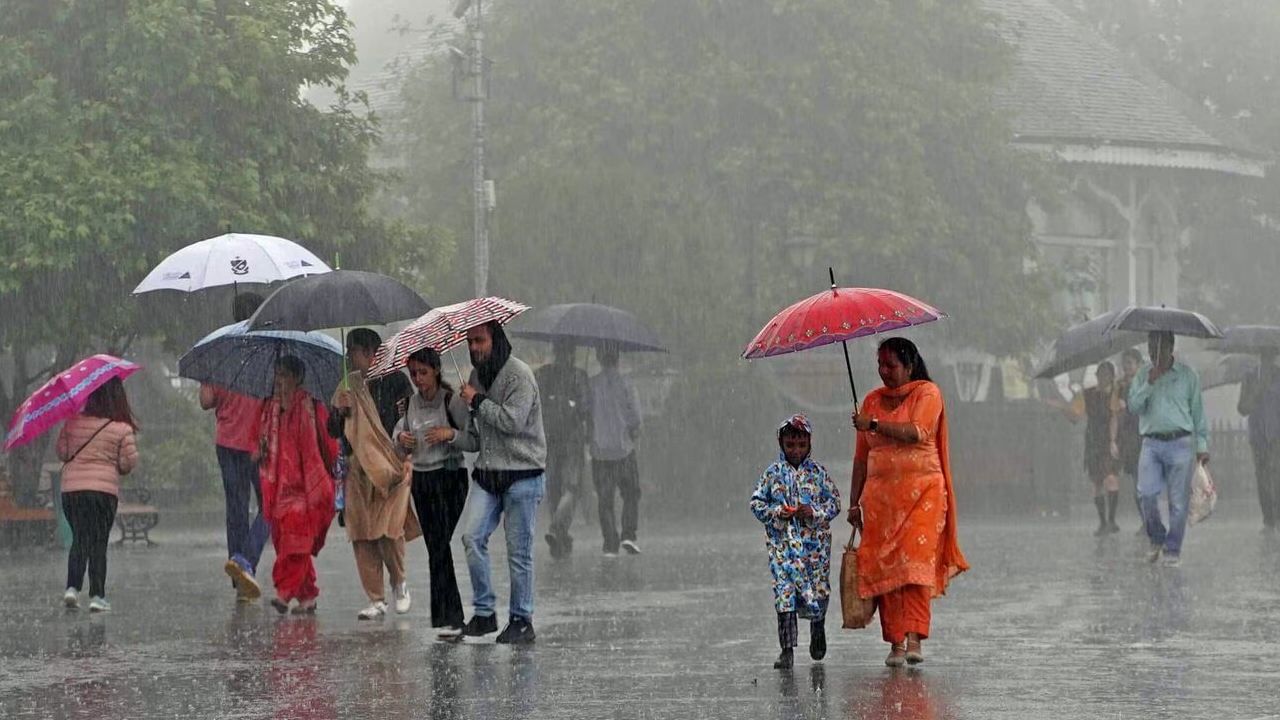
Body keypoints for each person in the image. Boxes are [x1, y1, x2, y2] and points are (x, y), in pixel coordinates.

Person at [849, 338, 968, 667]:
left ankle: (915, 638)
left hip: (923, 496)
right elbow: (861, 459)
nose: (884, 372)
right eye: (880, 366)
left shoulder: (928, 393)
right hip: (880, 503)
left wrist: (872, 424)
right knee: (885, 568)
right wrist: (853, 503)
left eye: (891, 365)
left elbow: (917, 432)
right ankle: (896, 643)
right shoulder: (871, 400)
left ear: (910, 365)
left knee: (914, 567)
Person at [456, 321, 547, 644]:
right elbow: (475, 437)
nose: (474, 348)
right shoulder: (475, 376)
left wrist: (478, 401)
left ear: (495, 340)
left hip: (523, 473)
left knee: (518, 552)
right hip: (488, 473)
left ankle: (522, 619)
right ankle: (484, 613)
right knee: (471, 537)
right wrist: (450, 433)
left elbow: (512, 421)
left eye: (479, 340)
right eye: (469, 342)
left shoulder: (518, 375)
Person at [329, 328, 418, 620]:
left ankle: (400, 583)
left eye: (352, 350)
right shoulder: (346, 386)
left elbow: (409, 422)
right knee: (362, 533)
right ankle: (376, 598)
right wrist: (338, 412)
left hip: (392, 465)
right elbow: (332, 431)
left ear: (369, 352)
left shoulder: (396, 381)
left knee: (390, 530)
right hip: (357, 469)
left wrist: (407, 454)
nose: (348, 357)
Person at [393, 348, 478, 633]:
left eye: (424, 372)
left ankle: (450, 615)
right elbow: (397, 442)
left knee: (440, 544)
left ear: (437, 371)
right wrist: (402, 440)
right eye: (414, 373)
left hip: (450, 478)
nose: (418, 379)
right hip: (423, 481)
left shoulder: (451, 401)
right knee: (435, 547)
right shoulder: (407, 406)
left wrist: (449, 434)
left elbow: (473, 440)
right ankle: (446, 616)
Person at [750, 414, 840, 670]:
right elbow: (756, 503)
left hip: (815, 549)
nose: (796, 451)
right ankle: (786, 649)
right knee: (784, 596)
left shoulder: (819, 473)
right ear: (781, 443)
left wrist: (813, 513)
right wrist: (777, 513)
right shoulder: (772, 474)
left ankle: (818, 628)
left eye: (801, 445)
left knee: (819, 590)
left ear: (809, 443)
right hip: (784, 549)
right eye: (790, 445)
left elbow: (834, 503)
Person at [254, 356, 338, 615]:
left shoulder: (312, 407)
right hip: (278, 487)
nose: (280, 380)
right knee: (285, 542)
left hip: (306, 488)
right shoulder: (269, 408)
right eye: (277, 374)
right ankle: (308, 595)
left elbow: (329, 444)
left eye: (285, 374)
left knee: (296, 543)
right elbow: (257, 442)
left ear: (297, 378)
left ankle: (284, 592)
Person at [200, 292, 269, 601]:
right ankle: (246, 562)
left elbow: (206, 401)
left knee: (236, 510)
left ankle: (238, 570)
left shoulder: (221, 350)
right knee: (271, 506)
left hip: (227, 442)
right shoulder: (267, 350)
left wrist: (209, 377)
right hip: (261, 443)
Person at [56, 377, 139, 613]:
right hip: (102, 493)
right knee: (99, 542)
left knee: (80, 538)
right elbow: (126, 464)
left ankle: (72, 587)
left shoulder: (72, 423)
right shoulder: (121, 428)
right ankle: (97, 595)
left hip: (72, 492)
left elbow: (62, 452)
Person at [1128, 331, 1209, 566]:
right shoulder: (1144, 373)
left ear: (1170, 347)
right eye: (1151, 348)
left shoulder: (1187, 376)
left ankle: (1173, 549)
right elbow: (1133, 406)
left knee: (1178, 502)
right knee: (1146, 494)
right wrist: (1149, 383)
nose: (1155, 353)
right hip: (1151, 443)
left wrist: (1202, 446)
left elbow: (1198, 413)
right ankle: (1157, 538)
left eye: (1159, 348)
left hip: (1180, 444)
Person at [535, 341, 590, 559]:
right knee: (572, 487)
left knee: (554, 487)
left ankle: (561, 538)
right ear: (573, 354)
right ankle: (557, 528)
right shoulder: (579, 376)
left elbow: (535, 405)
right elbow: (586, 409)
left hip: (549, 439)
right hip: (572, 440)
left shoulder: (543, 375)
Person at [589, 344, 644, 556]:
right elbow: (636, 417)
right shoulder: (626, 383)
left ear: (599, 357)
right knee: (631, 493)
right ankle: (628, 534)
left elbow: (585, 411)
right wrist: (633, 431)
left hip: (600, 451)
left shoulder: (592, 384)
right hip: (624, 450)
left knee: (605, 499)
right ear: (617, 358)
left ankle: (610, 543)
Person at [1061, 362, 1122, 535]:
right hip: (1093, 440)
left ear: (1111, 376)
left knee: (1111, 477)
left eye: (1105, 375)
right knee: (1096, 482)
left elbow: (1115, 417)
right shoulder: (1087, 394)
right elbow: (1075, 416)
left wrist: (1112, 441)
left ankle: (1112, 520)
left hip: (1109, 439)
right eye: (1099, 375)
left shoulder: (1116, 393)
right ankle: (1102, 522)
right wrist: (1063, 406)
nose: (1102, 378)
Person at [1238, 349, 1280, 531]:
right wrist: (1258, 390)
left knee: (1277, 474)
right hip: (1258, 436)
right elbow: (1242, 408)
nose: (1268, 359)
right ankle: (1268, 518)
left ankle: (1278, 515)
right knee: (1262, 476)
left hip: (1277, 435)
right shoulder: (1249, 377)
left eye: (1271, 355)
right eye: (1265, 355)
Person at [1115, 348, 1145, 522]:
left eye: (1130, 363)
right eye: (1124, 363)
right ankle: (1145, 521)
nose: (1126, 366)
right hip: (1130, 437)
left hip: (1145, 436)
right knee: (1136, 481)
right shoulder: (1120, 387)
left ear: (1138, 365)